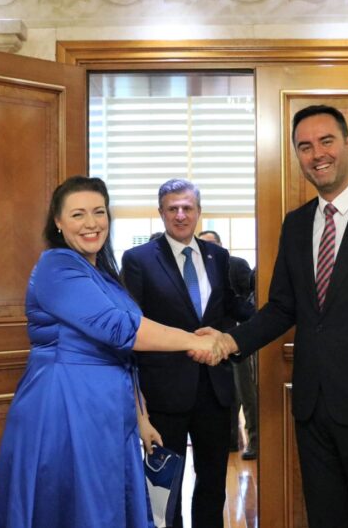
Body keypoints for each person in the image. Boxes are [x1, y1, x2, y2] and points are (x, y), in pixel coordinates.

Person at [192, 105, 348, 528]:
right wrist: (229, 341)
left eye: (326, 141)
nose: (317, 154)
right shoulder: (296, 224)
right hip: (312, 410)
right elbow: (282, 307)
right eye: (305, 147)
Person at [0, 176, 222, 528]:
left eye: (98, 212)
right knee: (76, 508)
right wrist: (195, 340)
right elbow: (120, 329)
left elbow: (123, 356)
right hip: (66, 408)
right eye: (78, 214)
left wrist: (140, 418)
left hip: (108, 411)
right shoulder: (56, 267)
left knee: (106, 506)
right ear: (58, 222)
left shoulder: (102, 273)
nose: (91, 223)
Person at [121, 179, 254, 528]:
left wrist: (267, 309)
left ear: (198, 211)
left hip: (214, 388)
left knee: (212, 481)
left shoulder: (218, 256)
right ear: (161, 212)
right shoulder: (138, 260)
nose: (180, 215)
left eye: (187, 208)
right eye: (172, 209)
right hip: (165, 391)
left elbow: (229, 309)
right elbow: (133, 323)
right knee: (167, 485)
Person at [197, 230, 258, 461]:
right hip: (205, 344)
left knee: (245, 393)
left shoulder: (235, 264)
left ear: (221, 245)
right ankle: (230, 440)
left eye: (212, 243)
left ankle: (254, 441)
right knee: (220, 396)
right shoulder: (194, 269)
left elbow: (248, 297)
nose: (208, 247)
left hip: (236, 341)